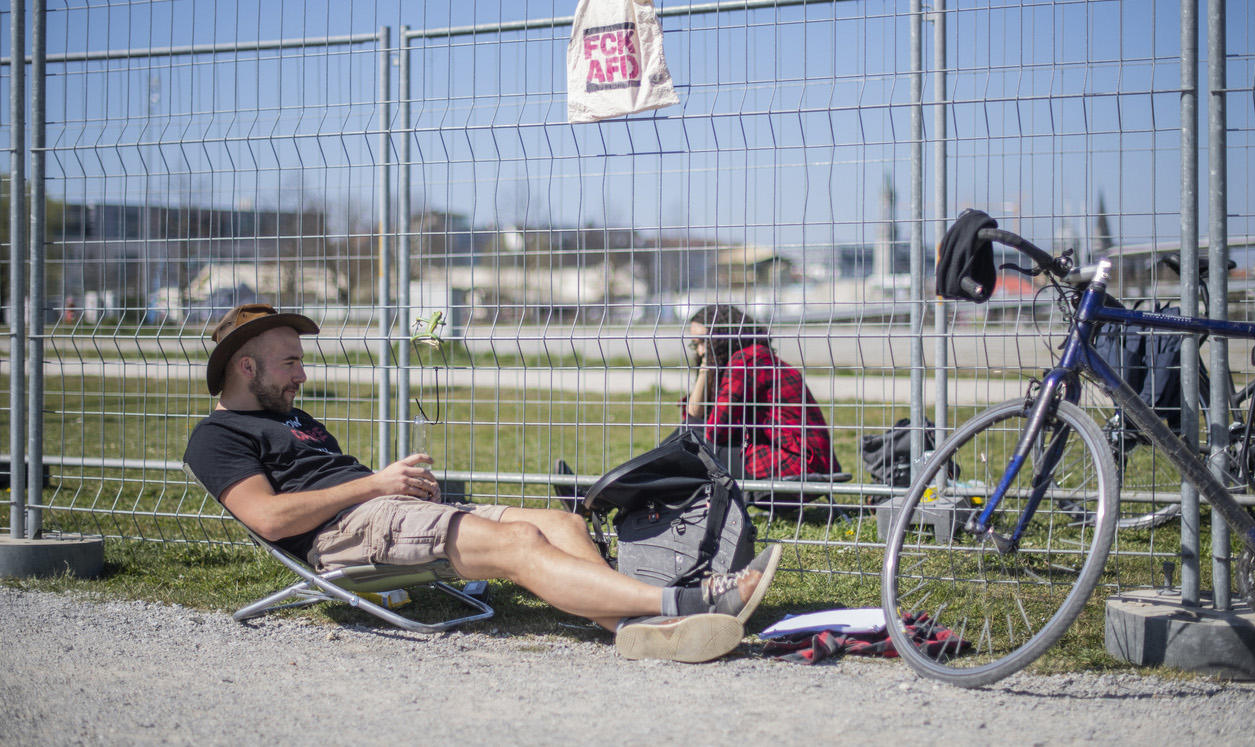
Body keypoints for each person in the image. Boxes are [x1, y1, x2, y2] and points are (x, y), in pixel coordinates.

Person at [183, 304, 781, 664]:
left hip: (382, 512)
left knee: (563, 523)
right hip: (341, 536)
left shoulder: (294, 422)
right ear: (246, 367)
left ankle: (637, 630)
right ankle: (690, 601)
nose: (303, 374)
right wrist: (375, 487)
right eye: (290, 362)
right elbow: (268, 519)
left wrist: (398, 489)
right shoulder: (217, 438)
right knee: (520, 542)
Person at [682, 305, 840, 481]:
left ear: (724, 336)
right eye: (696, 344)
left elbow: (713, 431)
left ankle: (652, 482)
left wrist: (707, 364)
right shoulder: (755, 356)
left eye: (706, 341)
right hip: (812, 461)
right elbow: (696, 414)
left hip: (796, 464)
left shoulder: (745, 362)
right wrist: (707, 366)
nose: (701, 351)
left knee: (691, 440)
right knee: (691, 436)